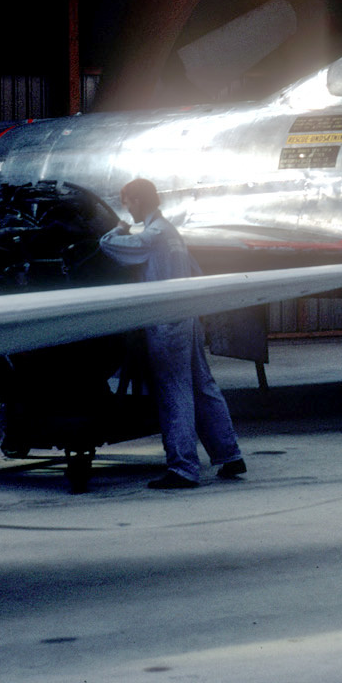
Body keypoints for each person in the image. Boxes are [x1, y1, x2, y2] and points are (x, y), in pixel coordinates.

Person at [99, 178, 246, 490]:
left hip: (167, 323)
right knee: (202, 386)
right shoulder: (173, 234)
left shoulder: (152, 235)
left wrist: (119, 228)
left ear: (137, 202)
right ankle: (229, 455)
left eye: (128, 203)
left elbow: (107, 246)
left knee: (173, 390)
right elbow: (196, 274)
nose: (128, 209)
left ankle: (183, 469)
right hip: (188, 318)